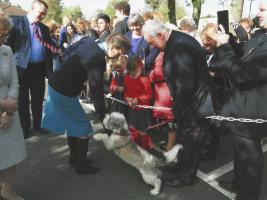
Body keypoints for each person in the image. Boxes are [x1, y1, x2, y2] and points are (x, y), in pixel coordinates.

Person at [41, 33, 131, 174]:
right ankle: (81, 165)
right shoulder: (97, 58)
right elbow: (95, 90)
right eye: (121, 51)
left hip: (57, 84)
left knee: (73, 124)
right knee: (83, 127)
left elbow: (67, 52)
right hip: (63, 90)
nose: (121, 55)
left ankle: (74, 159)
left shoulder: (88, 41)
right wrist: (104, 118)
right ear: (113, 47)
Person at [142, 19, 212, 186]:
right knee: (183, 139)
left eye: (152, 43)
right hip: (191, 102)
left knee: (191, 143)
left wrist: (175, 110)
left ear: (160, 35)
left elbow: (185, 85)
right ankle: (179, 169)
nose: (153, 48)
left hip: (196, 104)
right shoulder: (175, 40)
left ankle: (185, 176)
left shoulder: (180, 46)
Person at [209, 1, 267, 199]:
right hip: (241, 108)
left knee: (250, 158)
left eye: (265, 8)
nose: (259, 10)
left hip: (254, 112)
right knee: (240, 151)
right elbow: (244, 56)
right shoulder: (261, 35)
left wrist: (224, 47)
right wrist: (231, 41)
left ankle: (247, 194)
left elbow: (244, 73)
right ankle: (239, 183)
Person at [7, 0, 53, 138]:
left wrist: (49, 71)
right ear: (31, 9)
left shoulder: (44, 28)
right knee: (22, 99)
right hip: (20, 68)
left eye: (44, 14)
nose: (42, 16)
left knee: (38, 98)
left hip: (38, 68)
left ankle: (38, 124)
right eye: (40, 12)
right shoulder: (15, 22)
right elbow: (7, 44)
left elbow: (48, 51)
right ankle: (24, 127)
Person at [0, 13, 27, 200]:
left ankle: (7, 191)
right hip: (6, 105)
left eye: (4, 35)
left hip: (9, 112)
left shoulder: (6, 50)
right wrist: (4, 105)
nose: (2, 39)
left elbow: (14, 82)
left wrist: (9, 110)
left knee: (10, 155)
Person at [149, 52, 177, 151]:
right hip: (166, 90)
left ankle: (170, 147)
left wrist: (151, 74)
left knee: (171, 121)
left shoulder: (163, 54)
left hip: (165, 92)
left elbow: (158, 73)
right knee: (169, 120)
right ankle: (171, 145)